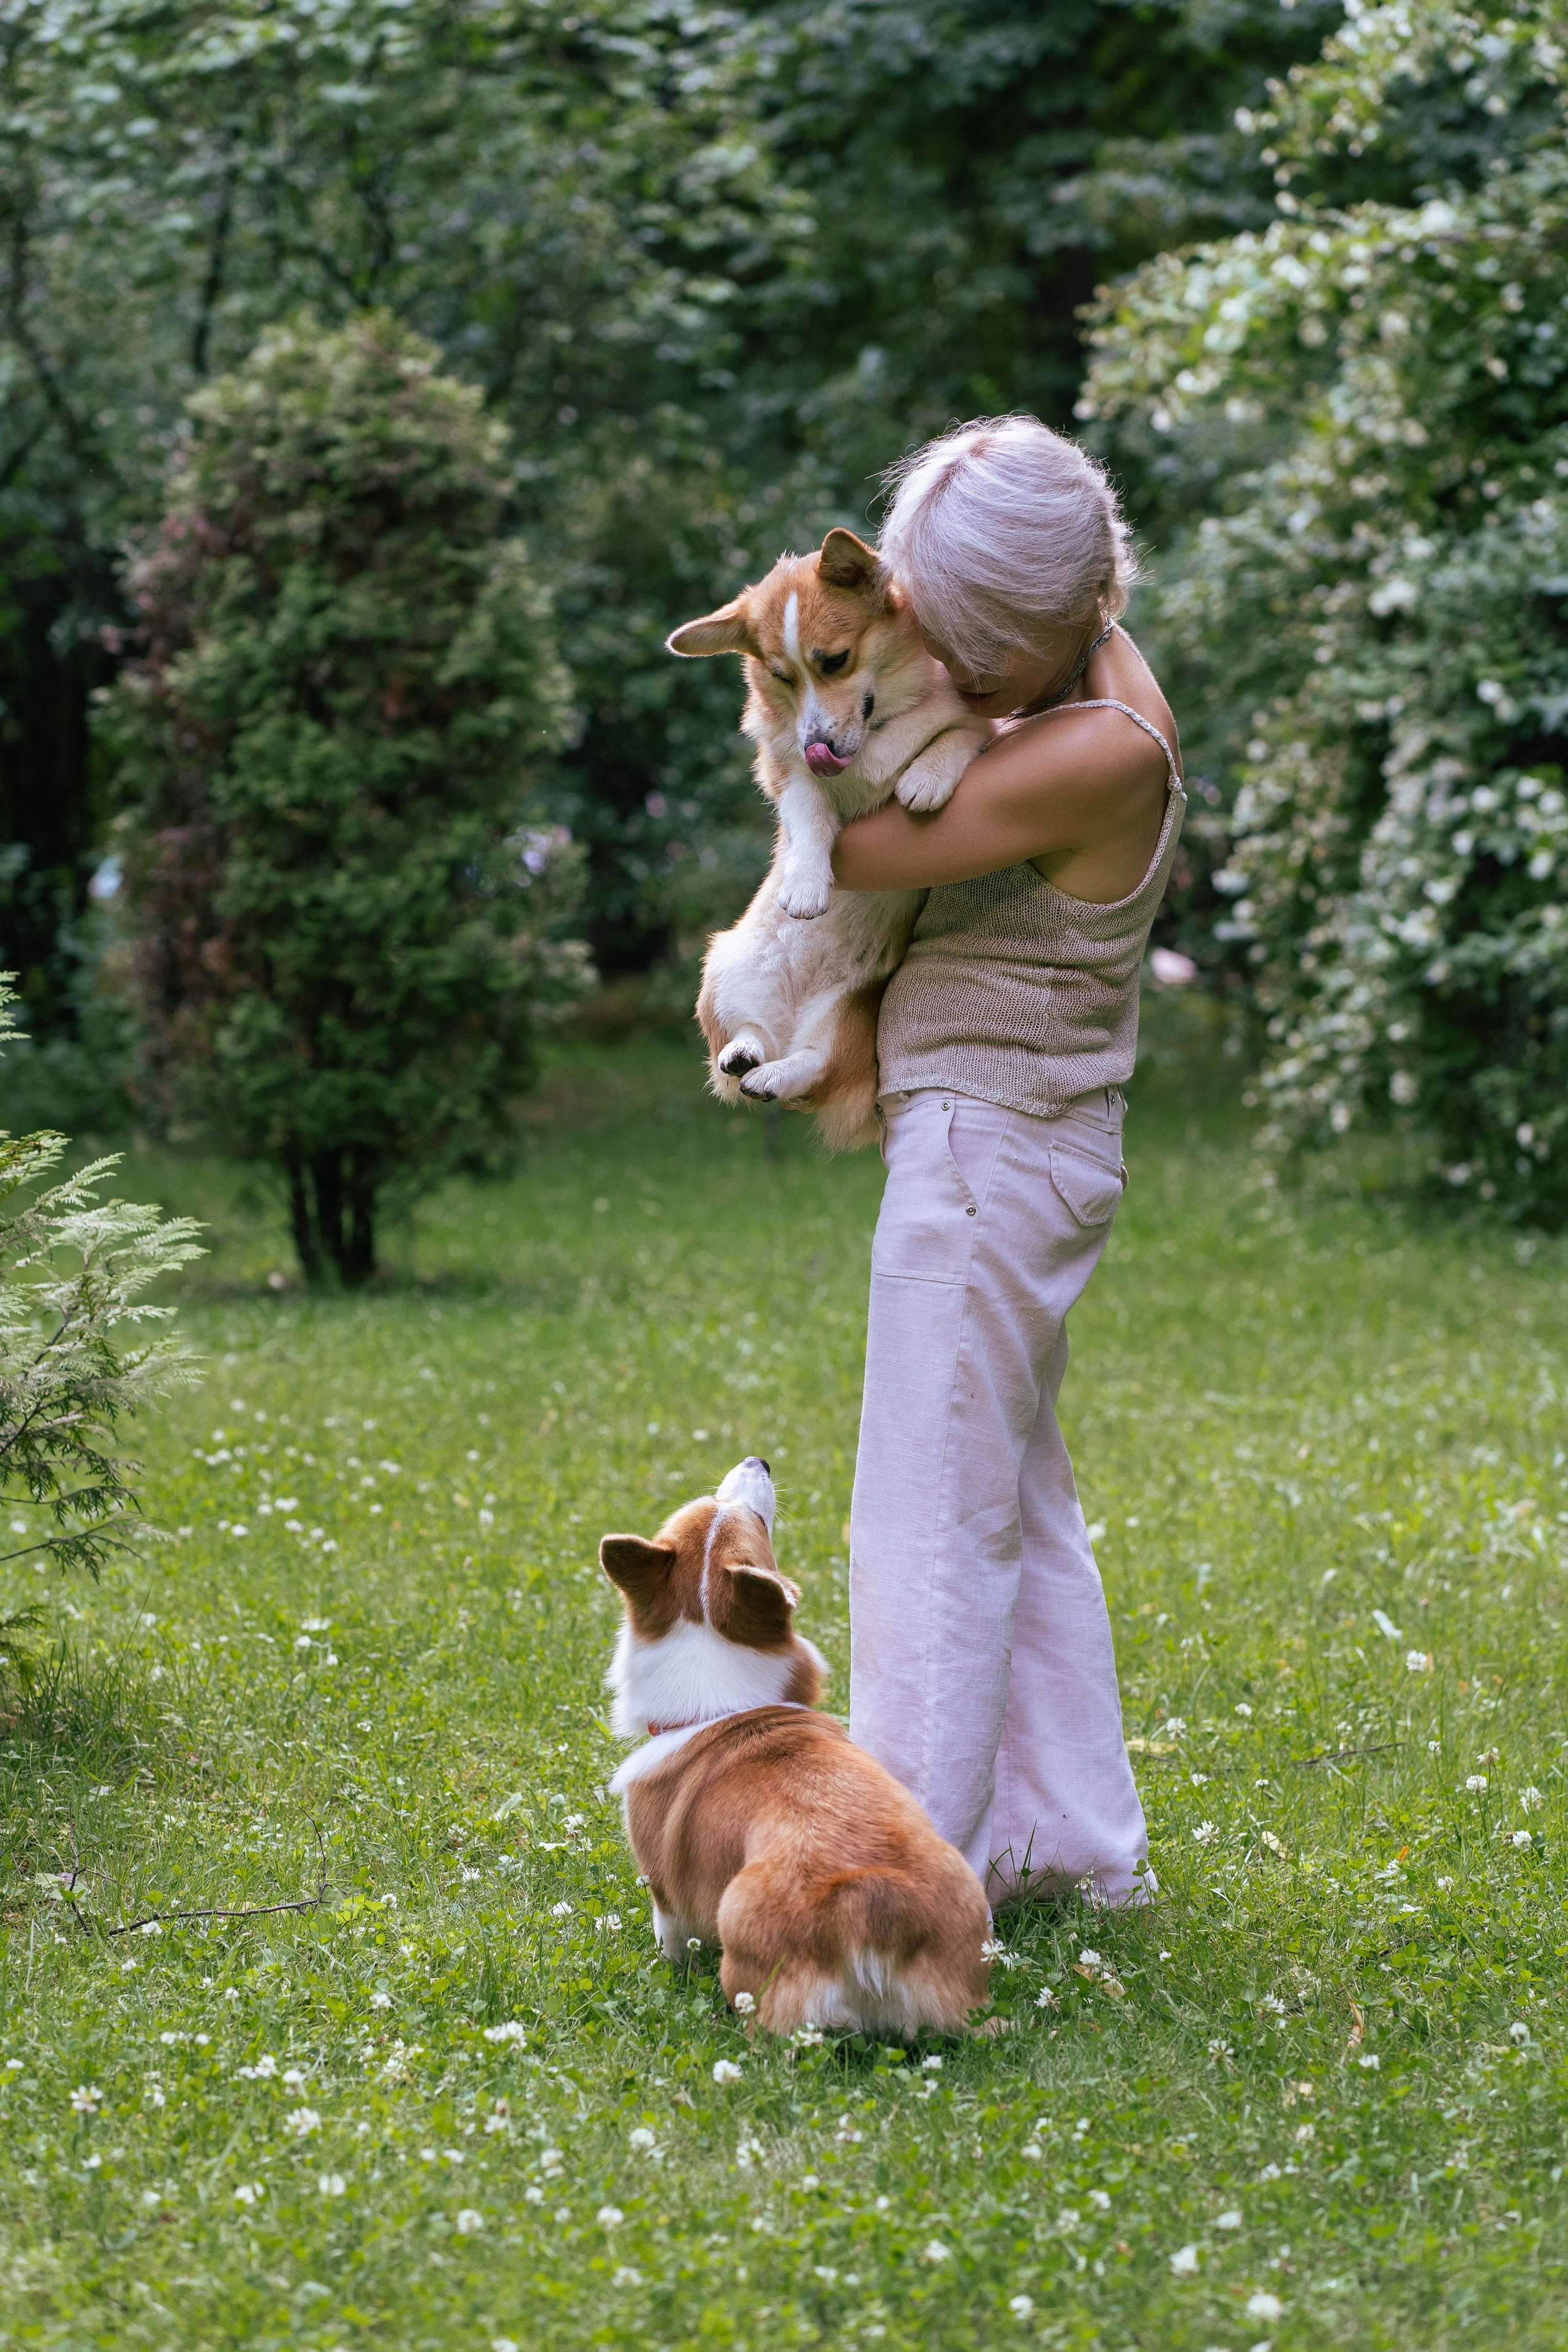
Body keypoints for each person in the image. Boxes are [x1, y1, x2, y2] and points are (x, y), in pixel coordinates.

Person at [831, 413, 1184, 1909]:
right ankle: (1072, 1847)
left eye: (969, 663)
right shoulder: (1098, 669)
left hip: (983, 1156)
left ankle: (892, 1896)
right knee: (1012, 1511)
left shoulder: (1089, 754)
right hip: (1014, 1150)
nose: (943, 687)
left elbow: (847, 851)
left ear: (1038, 636)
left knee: (925, 1524)